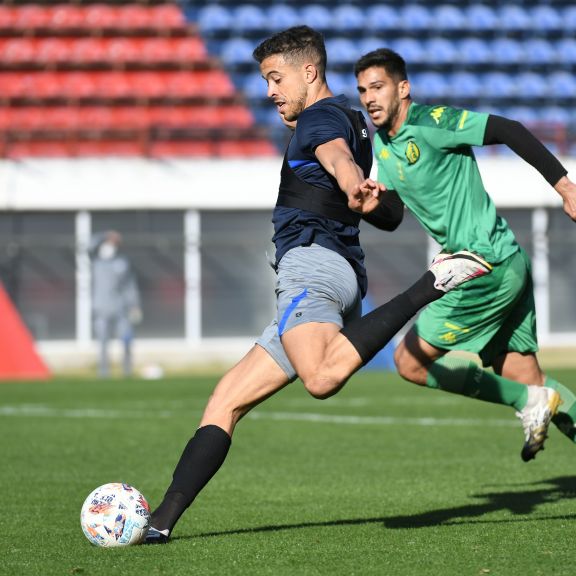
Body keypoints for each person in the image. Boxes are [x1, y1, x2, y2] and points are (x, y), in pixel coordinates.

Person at [144, 26, 494, 544]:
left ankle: (434, 280)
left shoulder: (321, 118)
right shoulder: (358, 122)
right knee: (225, 400)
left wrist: (353, 182)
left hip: (311, 268)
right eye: (265, 81)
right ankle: (158, 523)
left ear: (310, 72)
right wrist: (364, 193)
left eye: (275, 77)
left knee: (321, 378)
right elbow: (388, 212)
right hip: (332, 274)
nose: (270, 92)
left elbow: (333, 154)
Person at [353, 48, 576, 463]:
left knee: (410, 362)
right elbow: (395, 214)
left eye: (378, 87)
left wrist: (564, 186)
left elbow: (509, 129)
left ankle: (529, 401)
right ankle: (532, 399)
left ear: (403, 88)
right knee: (529, 380)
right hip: (507, 261)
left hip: (481, 265)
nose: (369, 98)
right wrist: (371, 210)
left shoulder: (431, 123)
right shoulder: (382, 147)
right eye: (363, 90)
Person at [89, 230, 142, 378]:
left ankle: (127, 372)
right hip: (100, 310)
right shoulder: (96, 262)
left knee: (126, 341)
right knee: (103, 344)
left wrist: (134, 305)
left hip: (121, 309)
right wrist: (104, 235)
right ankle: (104, 373)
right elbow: (88, 245)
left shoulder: (122, 263)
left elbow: (130, 286)